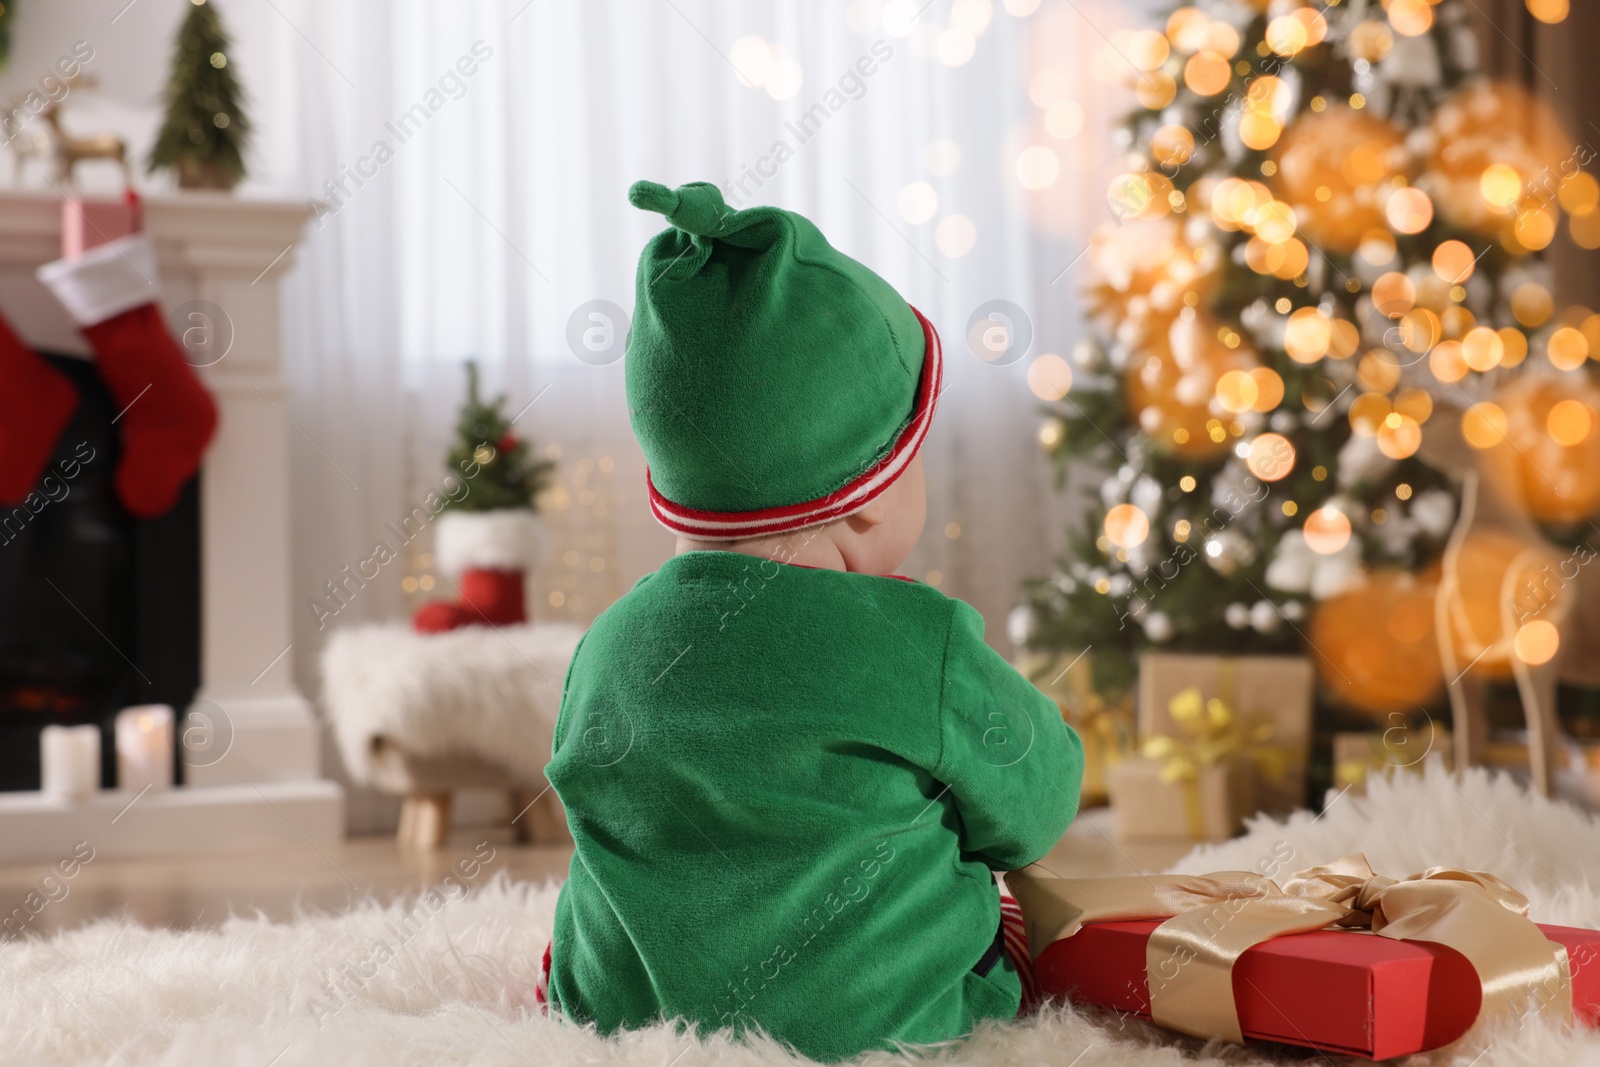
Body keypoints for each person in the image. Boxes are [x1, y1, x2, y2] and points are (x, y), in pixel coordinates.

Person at [539, 179, 1083, 1061]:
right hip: (884, 1027)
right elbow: (1042, 801)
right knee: (1010, 918)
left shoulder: (605, 647)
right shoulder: (916, 639)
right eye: (914, 458)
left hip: (627, 1021)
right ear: (865, 502)